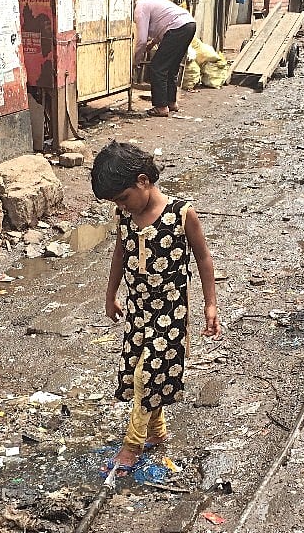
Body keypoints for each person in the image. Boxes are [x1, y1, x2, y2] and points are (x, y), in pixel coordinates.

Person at [91, 140, 220, 473]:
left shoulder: (181, 213)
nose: (122, 206)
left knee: (146, 376)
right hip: (138, 310)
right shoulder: (124, 215)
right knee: (142, 371)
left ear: (143, 181)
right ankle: (157, 431)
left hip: (170, 314)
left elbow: (204, 259)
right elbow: (119, 254)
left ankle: (131, 446)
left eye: (123, 197)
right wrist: (110, 295)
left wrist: (210, 305)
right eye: (117, 202)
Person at [133, 0, 196, 118]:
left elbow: (141, 40)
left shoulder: (139, 10)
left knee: (157, 68)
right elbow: (164, 24)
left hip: (178, 27)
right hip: (189, 24)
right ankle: (171, 102)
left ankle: (161, 106)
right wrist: (152, 44)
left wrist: (136, 61)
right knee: (171, 67)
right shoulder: (148, 3)